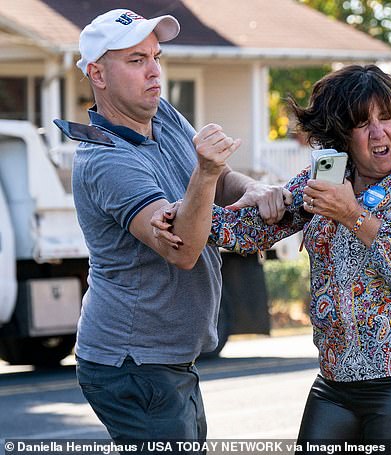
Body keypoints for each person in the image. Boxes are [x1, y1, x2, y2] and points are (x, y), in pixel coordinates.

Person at [154, 64, 391, 454]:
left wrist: (352, 214)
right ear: (341, 135)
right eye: (363, 124)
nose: (379, 132)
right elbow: (246, 231)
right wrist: (180, 214)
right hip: (338, 380)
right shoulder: (330, 172)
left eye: (387, 117)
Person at [71, 8, 289, 444]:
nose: (154, 72)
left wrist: (256, 189)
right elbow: (183, 249)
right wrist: (206, 173)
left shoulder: (162, 114)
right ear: (97, 73)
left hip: (166, 360)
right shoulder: (106, 160)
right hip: (133, 364)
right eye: (136, 61)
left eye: (155, 57)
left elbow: (223, 180)